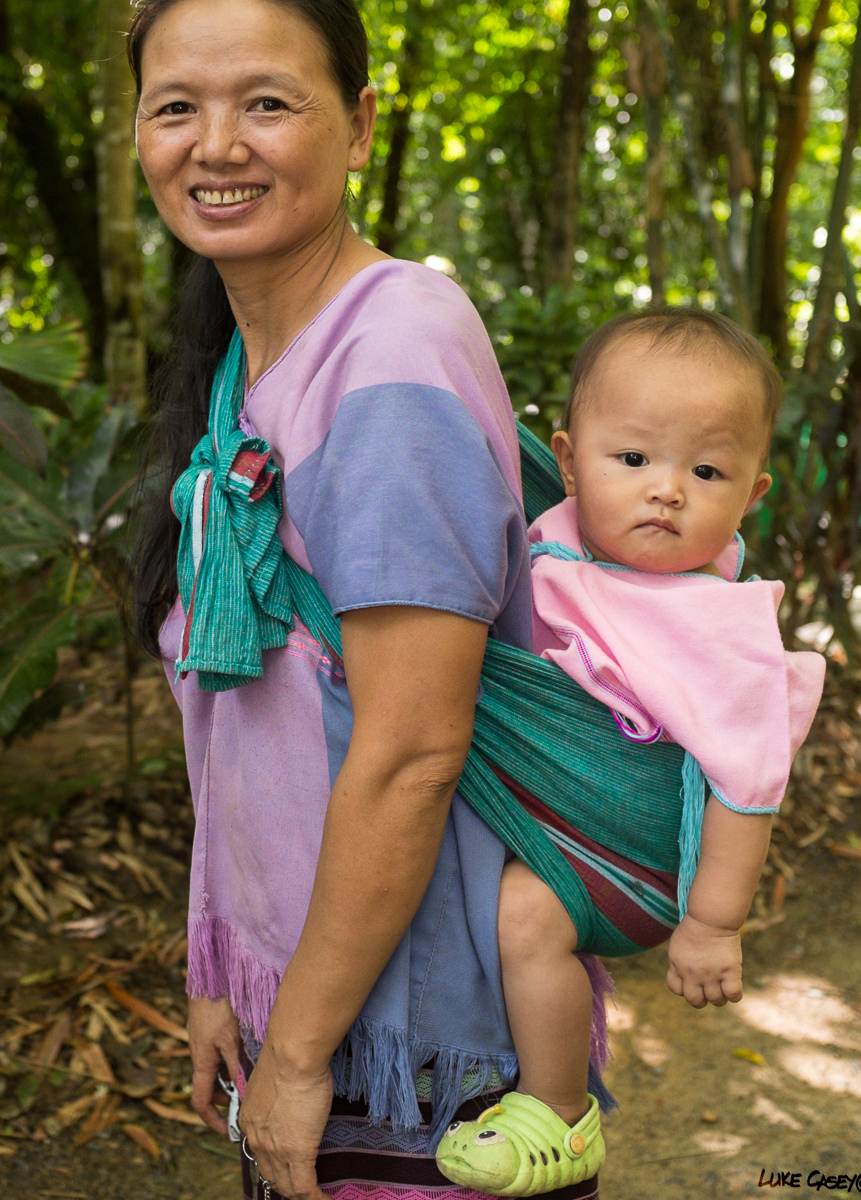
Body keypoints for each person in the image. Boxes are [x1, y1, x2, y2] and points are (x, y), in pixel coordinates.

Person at [128, 3, 606, 1200]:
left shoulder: (392, 356)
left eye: (268, 102)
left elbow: (409, 752)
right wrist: (223, 978)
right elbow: (253, 726)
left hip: (423, 1052)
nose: (217, 143)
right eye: (176, 105)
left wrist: (297, 1053)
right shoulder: (251, 357)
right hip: (318, 1000)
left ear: (360, 126)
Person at [435, 310, 826, 1197]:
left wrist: (714, 925)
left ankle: (558, 1114)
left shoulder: (713, 623)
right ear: (567, 462)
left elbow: (748, 777)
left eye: (707, 470)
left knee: (526, 922)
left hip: (632, 861)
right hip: (541, 799)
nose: (666, 490)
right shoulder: (554, 532)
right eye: (633, 459)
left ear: (750, 496)